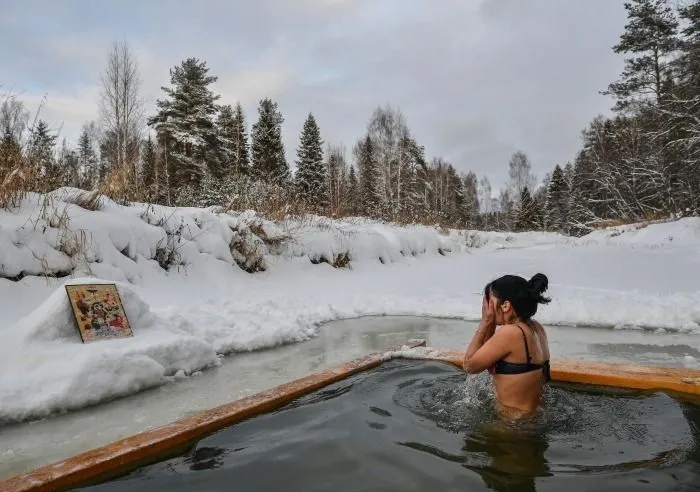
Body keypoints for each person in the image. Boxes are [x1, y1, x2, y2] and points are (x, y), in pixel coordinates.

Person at [462, 273, 551, 418]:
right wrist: (491, 322)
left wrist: (484, 323)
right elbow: (485, 355)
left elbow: (470, 365)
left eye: (490, 301)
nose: (487, 308)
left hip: (510, 427)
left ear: (505, 305)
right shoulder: (537, 329)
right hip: (532, 420)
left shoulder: (511, 333)